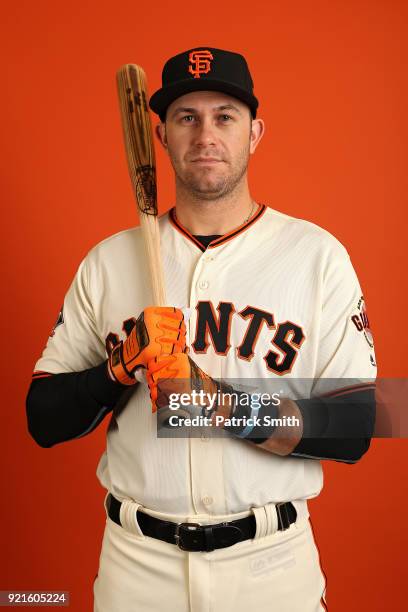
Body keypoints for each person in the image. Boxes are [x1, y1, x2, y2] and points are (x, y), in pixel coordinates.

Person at [26, 47, 377, 611]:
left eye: (225, 116)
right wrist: (119, 370)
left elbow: (358, 424)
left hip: (270, 567)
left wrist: (211, 402)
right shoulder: (107, 261)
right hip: (136, 567)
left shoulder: (316, 256)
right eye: (187, 117)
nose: (205, 134)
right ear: (161, 135)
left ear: (255, 133)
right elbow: (41, 418)